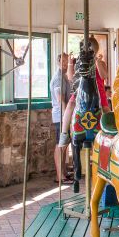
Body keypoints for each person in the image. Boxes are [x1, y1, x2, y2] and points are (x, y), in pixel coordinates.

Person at [58, 36, 110, 146]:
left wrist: (96, 61)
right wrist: (70, 64)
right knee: (71, 104)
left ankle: (111, 133)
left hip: (99, 93)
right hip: (79, 92)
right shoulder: (80, 62)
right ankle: (64, 134)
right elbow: (71, 78)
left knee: (106, 109)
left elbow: (104, 75)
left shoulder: (100, 62)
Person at [50, 52, 73, 182]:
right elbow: (61, 99)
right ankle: (60, 176)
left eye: (67, 62)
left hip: (64, 115)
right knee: (60, 144)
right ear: (58, 62)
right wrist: (66, 117)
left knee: (64, 144)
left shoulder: (64, 76)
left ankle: (63, 172)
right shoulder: (58, 78)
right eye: (63, 62)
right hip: (61, 115)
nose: (65, 64)